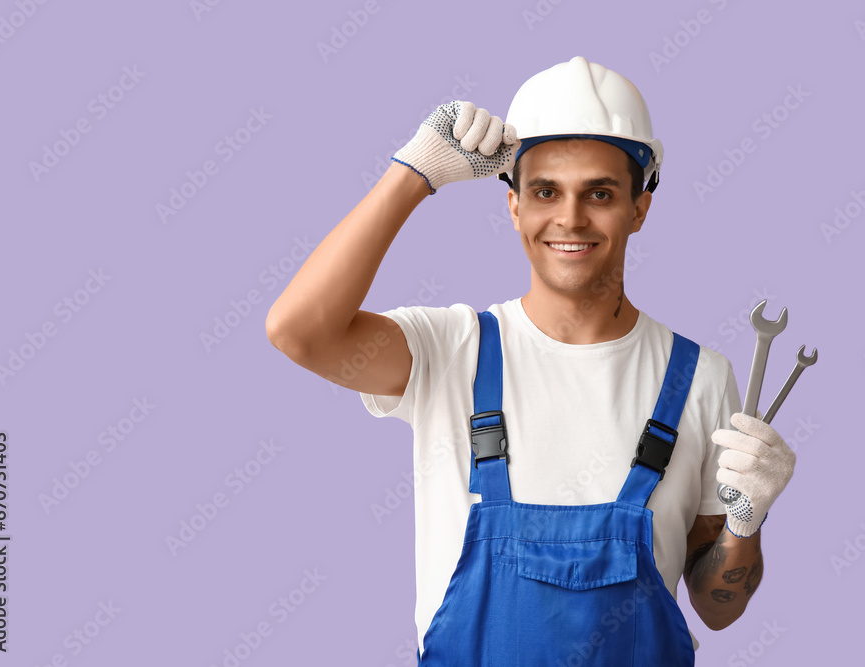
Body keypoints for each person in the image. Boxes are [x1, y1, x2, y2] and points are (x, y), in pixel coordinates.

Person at [266, 56, 796, 665]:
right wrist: (414, 173)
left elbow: (716, 608)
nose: (569, 218)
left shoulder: (701, 377)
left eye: (599, 193)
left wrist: (746, 522)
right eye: (545, 192)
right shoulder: (450, 350)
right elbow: (298, 331)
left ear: (639, 208)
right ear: (513, 204)